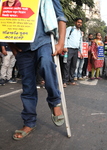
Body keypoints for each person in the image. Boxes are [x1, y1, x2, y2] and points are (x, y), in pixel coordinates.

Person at [10, 0, 67, 140]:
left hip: (43, 41)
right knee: (28, 86)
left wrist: (61, 43)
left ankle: (54, 101)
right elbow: (5, 20)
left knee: (46, 64)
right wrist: (11, 45)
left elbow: (61, 17)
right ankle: (29, 122)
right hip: (22, 46)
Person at [63, 18, 83, 86]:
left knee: (73, 66)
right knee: (67, 65)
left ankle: (71, 80)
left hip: (76, 50)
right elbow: (65, 37)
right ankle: (64, 81)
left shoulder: (80, 32)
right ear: (75, 22)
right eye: (78, 22)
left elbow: (80, 42)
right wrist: (65, 46)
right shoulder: (70, 29)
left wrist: (81, 51)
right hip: (69, 49)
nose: (79, 23)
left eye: (80, 22)